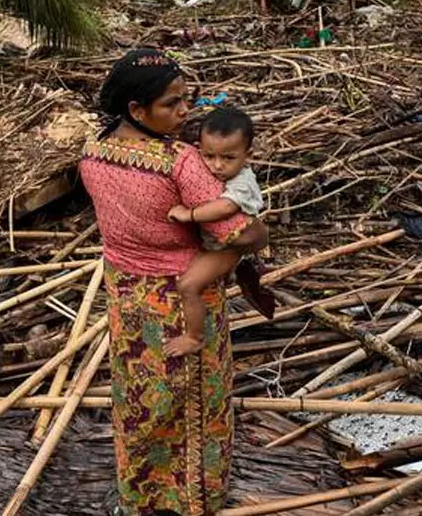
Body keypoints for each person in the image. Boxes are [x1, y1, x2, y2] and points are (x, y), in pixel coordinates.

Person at [78, 49, 269, 516]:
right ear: (137, 111)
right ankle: (192, 501)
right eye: (172, 104)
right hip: (184, 295)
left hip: (125, 293)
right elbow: (238, 234)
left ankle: (141, 494)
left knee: (140, 395)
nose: (186, 112)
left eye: (187, 99)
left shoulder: (92, 154)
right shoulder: (180, 161)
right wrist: (261, 231)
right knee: (197, 399)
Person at [165, 106, 266, 356]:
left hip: (228, 248)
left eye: (228, 158)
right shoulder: (207, 167)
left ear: (247, 155)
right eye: (209, 156)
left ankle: (194, 337)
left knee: (188, 286)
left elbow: (224, 208)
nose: (217, 165)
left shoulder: (243, 183)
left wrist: (189, 215)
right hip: (216, 243)